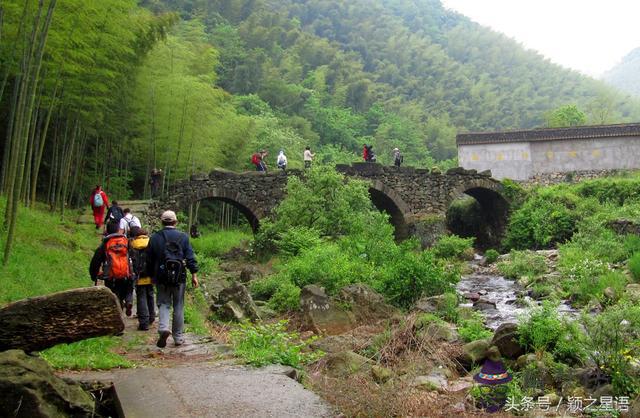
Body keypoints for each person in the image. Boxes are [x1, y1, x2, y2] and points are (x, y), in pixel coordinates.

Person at [147, 210, 199, 348]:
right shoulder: (183, 237)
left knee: (163, 303)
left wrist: (151, 276)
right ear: (175, 222)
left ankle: (163, 328)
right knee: (178, 306)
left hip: (161, 276)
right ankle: (178, 337)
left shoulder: (155, 238)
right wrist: (194, 274)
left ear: (162, 222)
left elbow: (149, 260)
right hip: (179, 277)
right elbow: (190, 257)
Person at [89, 221, 134, 316]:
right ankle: (128, 301)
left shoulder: (105, 244)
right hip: (126, 274)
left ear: (107, 231)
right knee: (126, 291)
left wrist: (94, 275)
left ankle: (118, 317)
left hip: (111, 276)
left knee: (115, 297)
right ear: (118, 229)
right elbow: (133, 257)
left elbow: (95, 261)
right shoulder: (126, 241)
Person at [129, 226, 155, 331]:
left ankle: (143, 323)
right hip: (150, 275)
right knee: (150, 295)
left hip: (138, 275)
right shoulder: (151, 243)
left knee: (141, 297)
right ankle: (151, 317)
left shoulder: (132, 244)